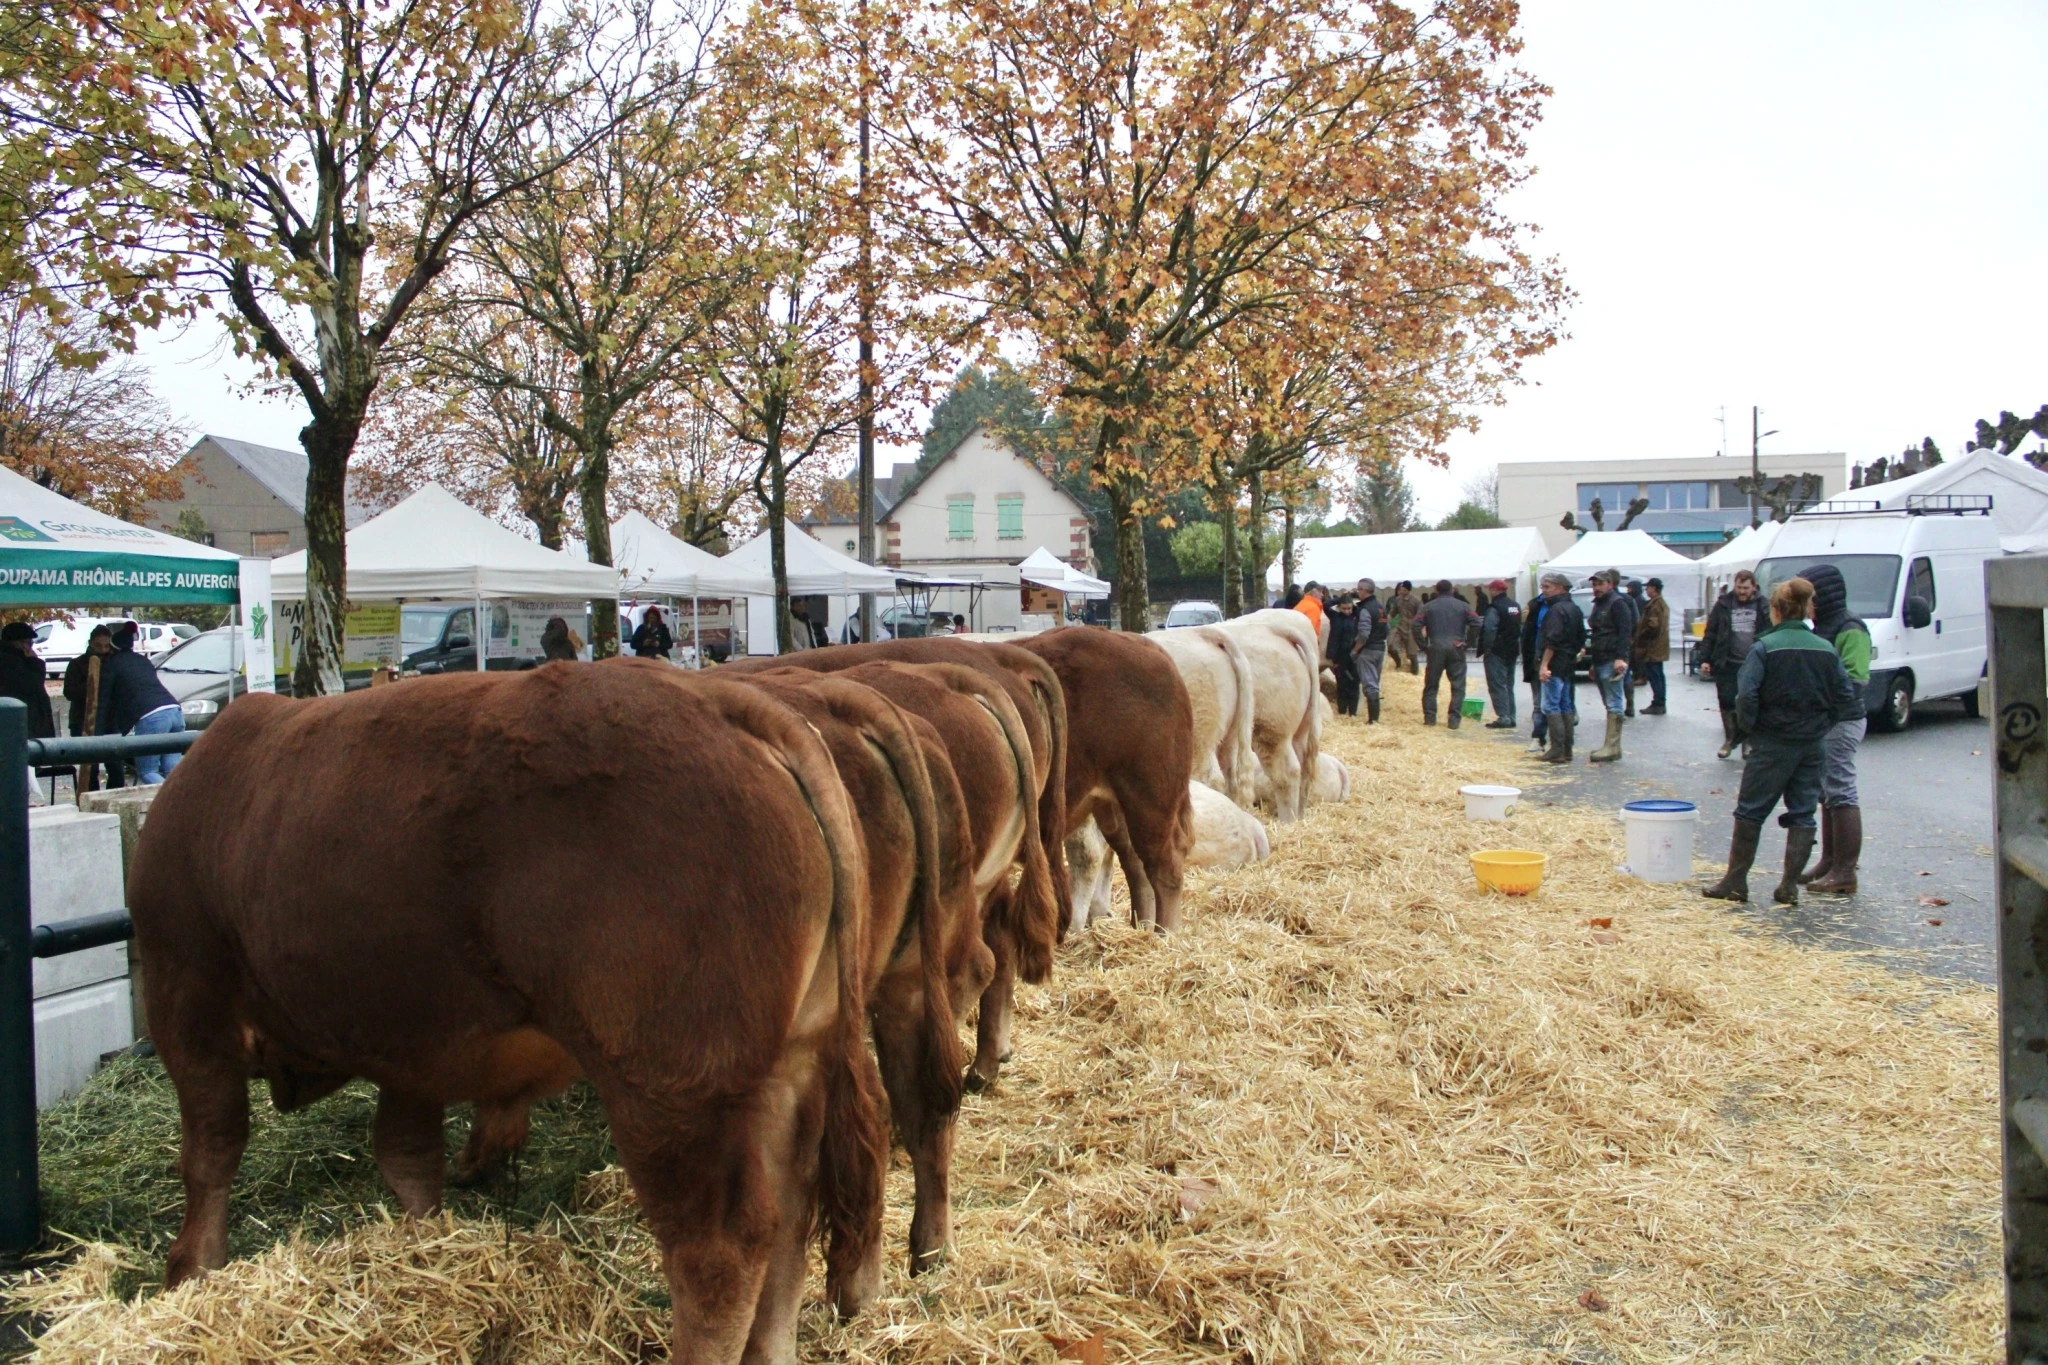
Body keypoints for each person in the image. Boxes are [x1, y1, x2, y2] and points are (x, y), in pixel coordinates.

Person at [1700, 576, 1861, 906]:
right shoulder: (1826, 649)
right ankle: (1788, 885)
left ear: (1775, 610)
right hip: (1812, 742)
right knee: (1803, 813)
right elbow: (1845, 696)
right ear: (1804, 609)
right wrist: (1821, 724)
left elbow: (1746, 696)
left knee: (1750, 810)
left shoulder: (1764, 648)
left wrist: (1751, 728)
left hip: (1773, 741)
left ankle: (1736, 881)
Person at [1796, 563, 1870, 895]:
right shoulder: (1820, 627)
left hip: (1843, 719)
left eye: (1808, 595)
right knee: (1826, 793)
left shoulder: (1850, 627)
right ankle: (1828, 861)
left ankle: (1845, 871)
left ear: (1822, 595)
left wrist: (1820, 700)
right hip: (1827, 719)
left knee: (1840, 790)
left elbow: (1856, 679)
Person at [96, 622, 184, 785]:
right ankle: (183, 801)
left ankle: (167, 802)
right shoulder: (143, 661)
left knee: (148, 771)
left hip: (152, 716)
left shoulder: (111, 665)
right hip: (175, 710)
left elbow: (103, 701)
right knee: (172, 770)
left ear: (113, 649)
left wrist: (98, 730)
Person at [1701, 570, 1763, 759]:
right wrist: (1705, 658)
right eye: (1738, 587)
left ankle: (1747, 742)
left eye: (1745, 588)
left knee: (1749, 702)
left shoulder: (1763, 605)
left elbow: (1770, 630)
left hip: (1753, 663)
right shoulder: (1723, 604)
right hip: (1727, 661)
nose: (1742, 592)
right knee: (1727, 701)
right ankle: (1729, 740)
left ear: (1753, 587)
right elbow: (1711, 631)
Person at [1582, 569, 1633, 763]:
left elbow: (1625, 632)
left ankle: (1612, 746)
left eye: (1600, 584)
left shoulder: (1617, 604)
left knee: (1614, 701)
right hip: (1601, 658)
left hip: (1612, 658)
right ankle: (1611, 745)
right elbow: (1597, 633)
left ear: (1610, 584)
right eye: (1594, 585)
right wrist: (1594, 662)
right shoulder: (1599, 605)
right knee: (1609, 701)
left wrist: (1621, 658)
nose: (1596, 588)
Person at [62, 625, 120, 790]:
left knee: (116, 768)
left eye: (106, 646)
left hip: (110, 721)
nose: (102, 650)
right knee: (89, 769)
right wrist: (92, 684)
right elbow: (69, 692)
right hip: (83, 720)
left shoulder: (115, 662)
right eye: (98, 646)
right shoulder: (77, 664)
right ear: (90, 644)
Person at [1535, 572, 1584, 763]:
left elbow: (1551, 640)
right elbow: (1580, 637)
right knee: (1565, 704)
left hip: (1555, 663)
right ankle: (1566, 749)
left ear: (1560, 587)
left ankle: (1557, 748)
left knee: (1551, 705)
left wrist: (1544, 664)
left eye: (1547, 587)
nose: (1544, 591)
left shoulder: (1556, 610)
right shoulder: (1574, 608)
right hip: (1568, 662)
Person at [1415, 579, 1479, 728]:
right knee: (1458, 686)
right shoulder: (1463, 606)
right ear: (1452, 590)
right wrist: (1468, 643)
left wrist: (1423, 646)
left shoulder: (1428, 607)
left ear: (1436, 590)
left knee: (1431, 685)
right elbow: (1476, 622)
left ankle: (1430, 718)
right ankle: (1454, 720)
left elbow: (1416, 625)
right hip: (1456, 646)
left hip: (1436, 647)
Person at [1478, 579, 1522, 729]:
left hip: (1497, 650)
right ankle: (1511, 715)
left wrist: (1487, 648)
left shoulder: (1494, 608)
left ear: (1495, 590)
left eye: (1490, 589)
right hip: (1512, 649)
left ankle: (1503, 717)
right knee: (1509, 684)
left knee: (1497, 684)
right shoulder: (1515, 606)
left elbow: (1490, 629)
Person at [1351, 578, 1389, 724]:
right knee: (1375, 682)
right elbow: (1388, 629)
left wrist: (1355, 649)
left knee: (1370, 685)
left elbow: (1364, 634)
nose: (1357, 592)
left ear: (1364, 590)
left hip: (1368, 650)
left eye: (1359, 589)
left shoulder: (1365, 609)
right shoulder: (1380, 607)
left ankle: (1373, 720)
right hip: (1380, 648)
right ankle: (1374, 719)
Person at [1631, 578, 1670, 716]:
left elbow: (1653, 626)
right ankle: (1659, 702)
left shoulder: (1655, 605)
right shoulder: (1660, 603)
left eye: (1648, 588)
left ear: (1654, 588)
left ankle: (1658, 703)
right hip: (1657, 646)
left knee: (1655, 675)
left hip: (1653, 647)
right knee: (1658, 674)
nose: (1646, 590)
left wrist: (1642, 636)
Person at [1387, 581, 1420, 674]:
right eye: (1401, 589)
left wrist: (1421, 627)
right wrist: (1387, 620)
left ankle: (1415, 672)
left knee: (1412, 654)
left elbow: (1421, 615)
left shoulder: (1416, 601)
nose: (1401, 591)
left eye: (1404, 590)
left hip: (1411, 628)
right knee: (1391, 646)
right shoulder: (1398, 600)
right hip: (1400, 626)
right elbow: (1392, 612)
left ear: (1408, 590)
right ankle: (1398, 662)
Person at [1293, 581, 1327, 648]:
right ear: (1313, 591)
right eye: (1320, 591)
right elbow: (1310, 631)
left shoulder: (1301, 604)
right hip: (1305, 646)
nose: (1322, 595)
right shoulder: (1313, 608)